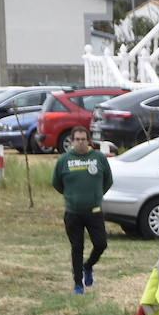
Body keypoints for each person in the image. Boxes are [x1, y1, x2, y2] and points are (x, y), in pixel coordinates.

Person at [51, 126, 112, 295]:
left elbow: (108, 180)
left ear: (88, 141)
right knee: (77, 248)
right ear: (72, 141)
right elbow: (56, 183)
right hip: (73, 213)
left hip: (94, 211)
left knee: (101, 244)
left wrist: (96, 195)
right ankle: (78, 283)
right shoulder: (64, 160)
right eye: (77, 139)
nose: (80, 142)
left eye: (83, 139)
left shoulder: (98, 158)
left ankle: (88, 266)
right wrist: (71, 196)